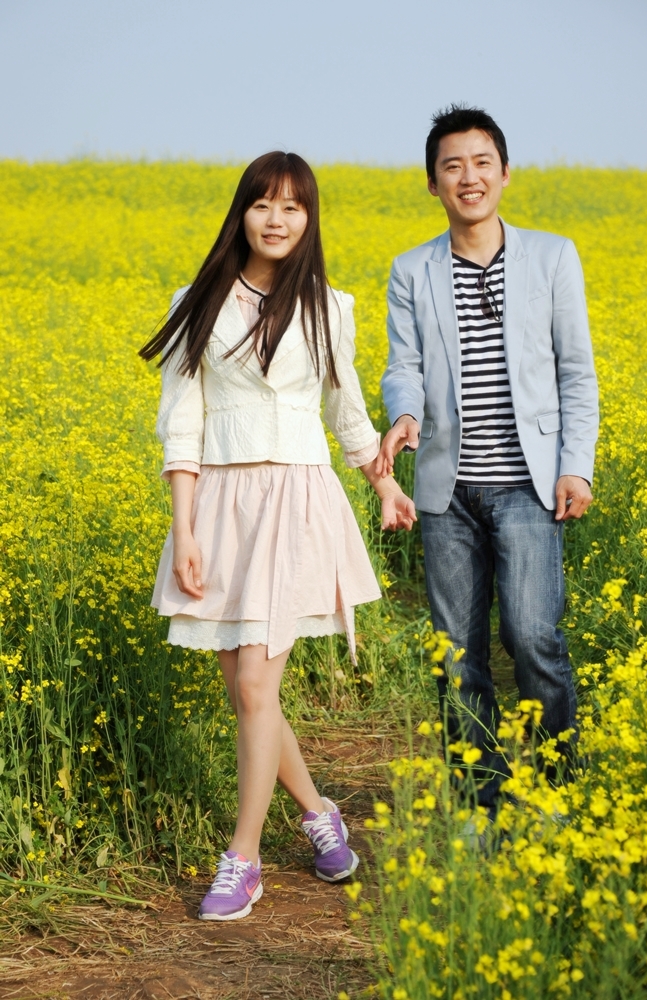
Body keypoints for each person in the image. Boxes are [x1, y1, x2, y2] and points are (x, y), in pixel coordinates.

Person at [140, 151, 416, 920]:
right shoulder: (196, 301)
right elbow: (182, 423)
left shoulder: (331, 307)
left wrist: (384, 485)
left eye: (293, 206)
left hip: (296, 499)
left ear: (309, 218)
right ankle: (320, 813)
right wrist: (183, 529)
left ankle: (244, 858)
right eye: (263, 203)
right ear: (242, 213)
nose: (276, 218)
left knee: (257, 687)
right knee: (245, 690)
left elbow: (346, 413)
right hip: (221, 504)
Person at [377, 105, 599, 818]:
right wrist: (404, 415)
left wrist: (576, 465)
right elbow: (403, 366)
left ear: (504, 173)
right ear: (432, 184)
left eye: (480, 163)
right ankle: (481, 804)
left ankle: (559, 790)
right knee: (457, 655)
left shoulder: (552, 257)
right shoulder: (412, 270)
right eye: (452, 166)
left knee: (532, 638)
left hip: (528, 485)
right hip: (448, 492)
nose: (467, 177)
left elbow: (576, 372)